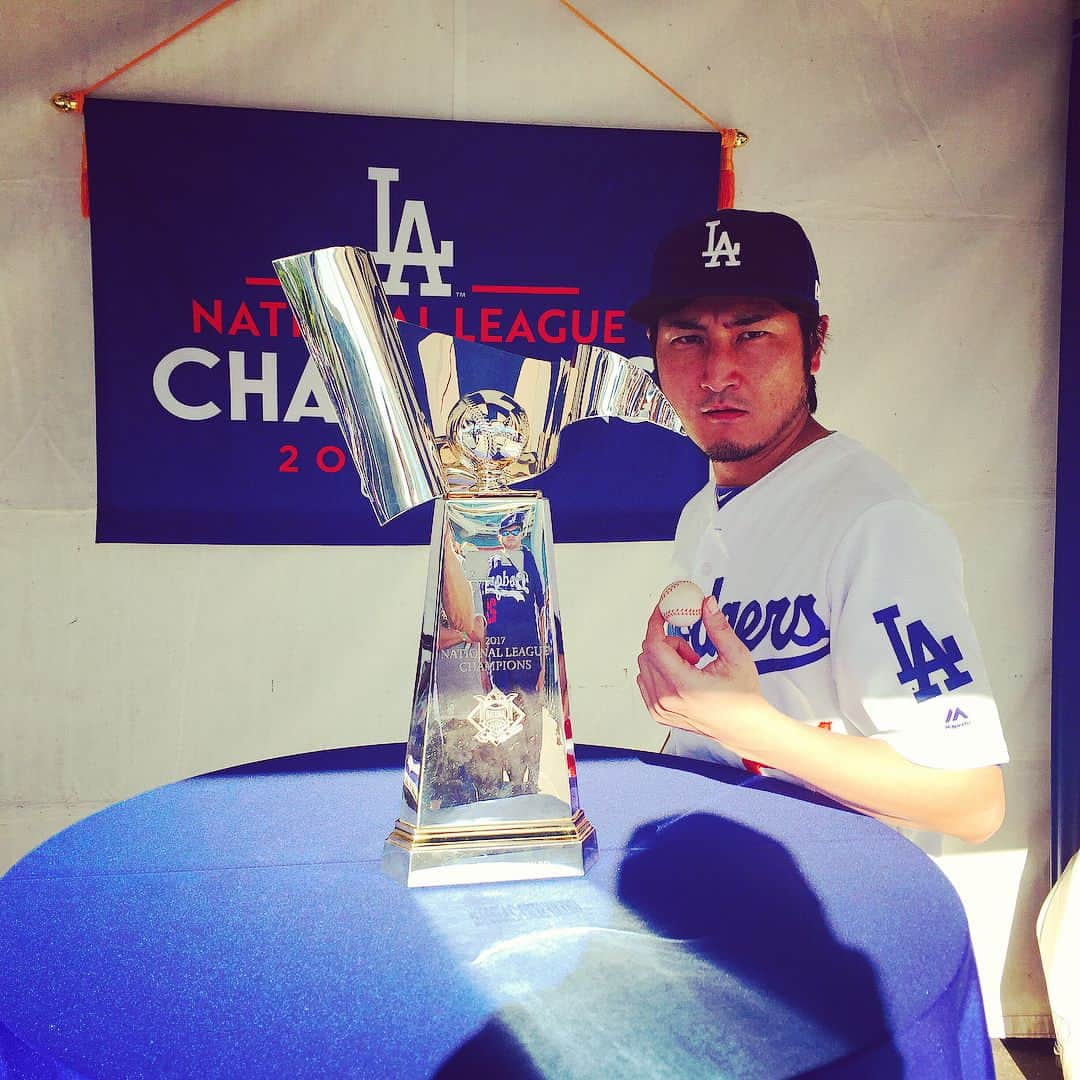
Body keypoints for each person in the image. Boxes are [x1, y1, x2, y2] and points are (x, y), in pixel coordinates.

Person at [631, 210, 1008, 843]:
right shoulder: (705, 510)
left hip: (831, 904)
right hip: (723, 870)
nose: (717, 372)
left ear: (816, 343)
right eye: (687, 338)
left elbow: (970, 798)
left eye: (751, 335)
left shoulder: (877, 522)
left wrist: (748, 728)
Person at [478, 509, 547, 795]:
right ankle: (510, 773)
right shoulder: (490, 563)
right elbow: (481, 612)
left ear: (521, 533)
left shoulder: (528, 559)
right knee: (501, 709)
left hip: (526, 645)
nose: (510, 536)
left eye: (515, 531)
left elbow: (542, 605)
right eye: (506, 532)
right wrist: (483, 653)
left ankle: (532, 773)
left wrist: (544, 655)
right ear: (499, 536)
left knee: (530, 707)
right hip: (498, 647)